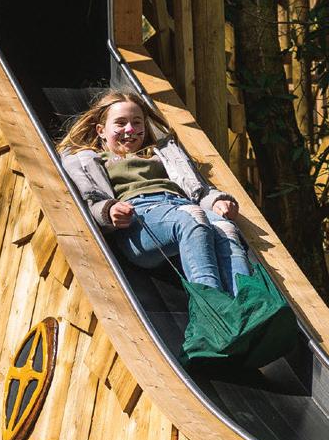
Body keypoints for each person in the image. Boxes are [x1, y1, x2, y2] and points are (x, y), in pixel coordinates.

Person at [57, 89, 252, 295]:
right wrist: (109, 210)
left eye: (137, 122)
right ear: (101, 130)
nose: (130, 129)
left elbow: (197, 189)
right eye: (120, 123)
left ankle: (247, 303)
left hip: (181, 205)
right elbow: (92, 200)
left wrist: (215, 201)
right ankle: (212, 302)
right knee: (191, 218)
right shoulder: (92, 159)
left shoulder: (163, 154)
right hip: (139, 219)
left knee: (225, 228)